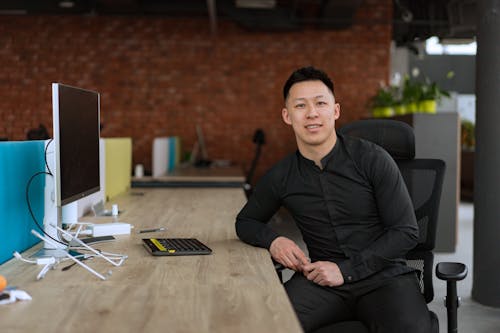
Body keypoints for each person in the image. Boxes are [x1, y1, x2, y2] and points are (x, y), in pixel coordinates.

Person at [235, 66, 432, 333]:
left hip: (384, 277)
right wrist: (274, 240)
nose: (312, 113)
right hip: (320, 281)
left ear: (335, 111)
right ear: (287, 115)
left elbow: (406, 232)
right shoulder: (281, 176)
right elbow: (246, 221)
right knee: (270, 324)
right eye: (300, 105)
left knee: (411, 329)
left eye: (320, 103)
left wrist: (347, 270)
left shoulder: (372, 159)